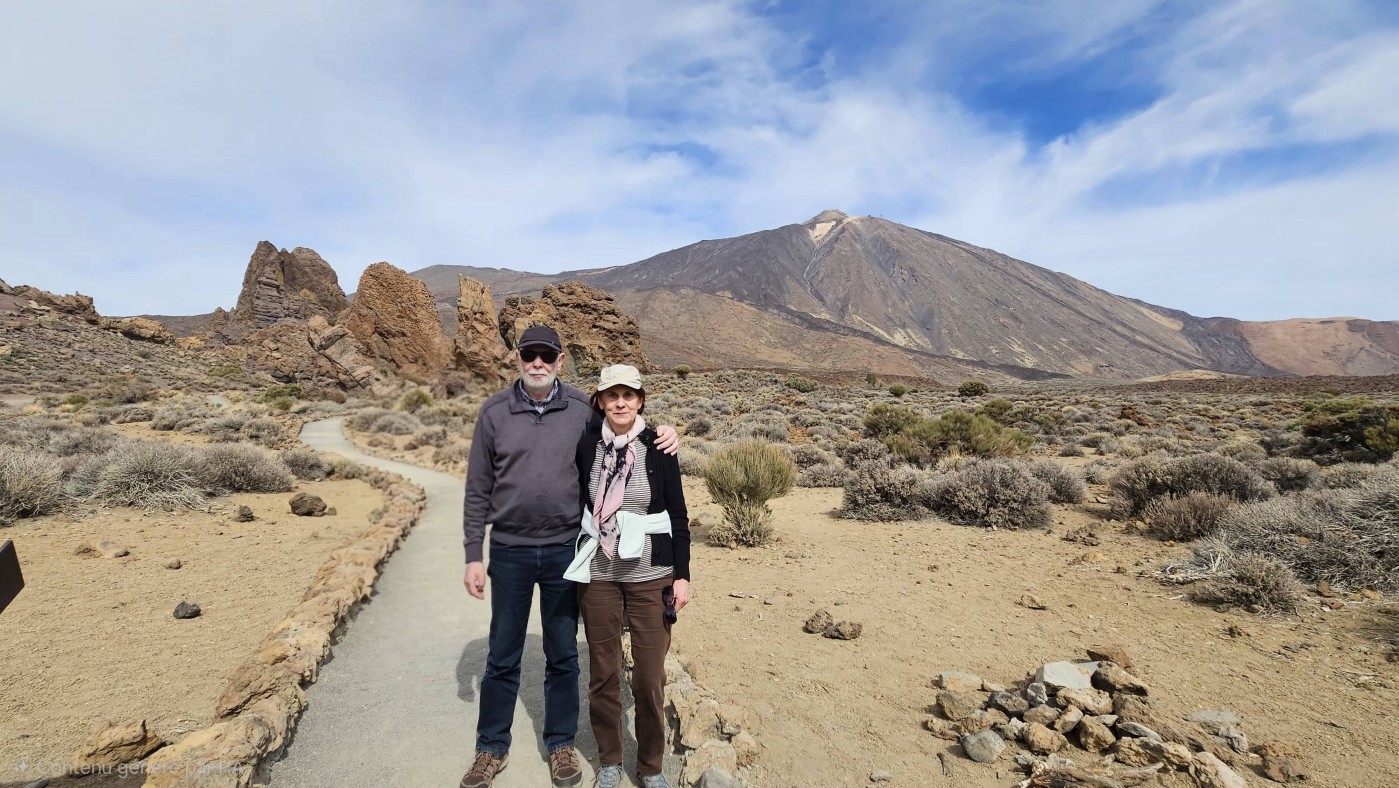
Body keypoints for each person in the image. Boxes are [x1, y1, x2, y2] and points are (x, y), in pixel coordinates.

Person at [460, 326, 677, 788]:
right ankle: (491, 748)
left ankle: (561, 744)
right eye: (529, 355)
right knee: (502, 653)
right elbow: (477, 487)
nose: (537, 363)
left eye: (547, 355)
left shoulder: (582, 408)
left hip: (565, 549)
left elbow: (627, 426)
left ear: (561, 361)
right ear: (517, 358)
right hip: (511, 551)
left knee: (562, 652)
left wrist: (665, 432)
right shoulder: (494, 412)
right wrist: (473, 554)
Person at [567, 364, 690, 788]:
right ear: (600, 401)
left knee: (649, 677)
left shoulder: (659, 446)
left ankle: (651, 766)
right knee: (603, 672)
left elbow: (678, 515)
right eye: (612, 395)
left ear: (640, 400)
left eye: (628, 394)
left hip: (651, 575)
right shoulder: (587, 444)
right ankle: (610, 760)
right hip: (599, 574)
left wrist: (682, 575)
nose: (620, 402)